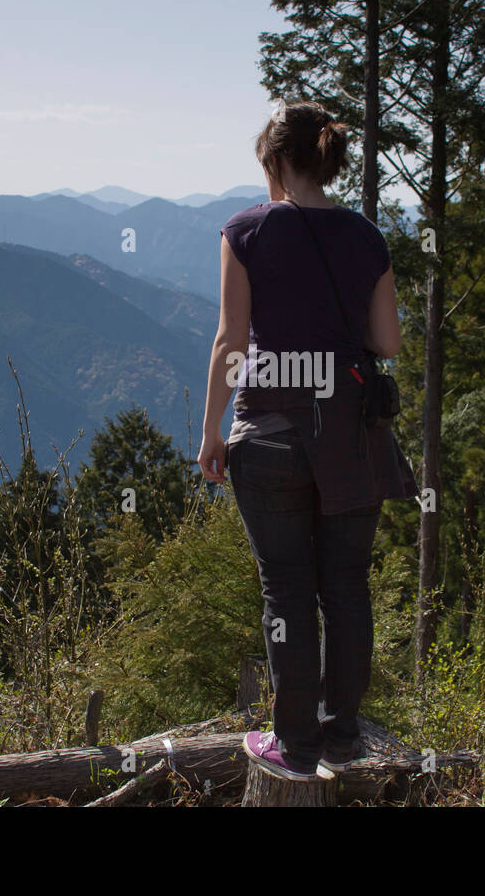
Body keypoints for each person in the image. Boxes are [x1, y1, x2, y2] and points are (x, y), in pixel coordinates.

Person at [197, 99, 417, 782]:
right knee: (346, 585)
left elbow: (234, 340)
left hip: (268, 435)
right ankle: (344, 735)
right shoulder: (367, 237)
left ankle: (295, 747)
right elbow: (386, 342)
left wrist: (210, 429)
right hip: (351, 438)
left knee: (286, 590)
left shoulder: (246, 230)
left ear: (276, 160)